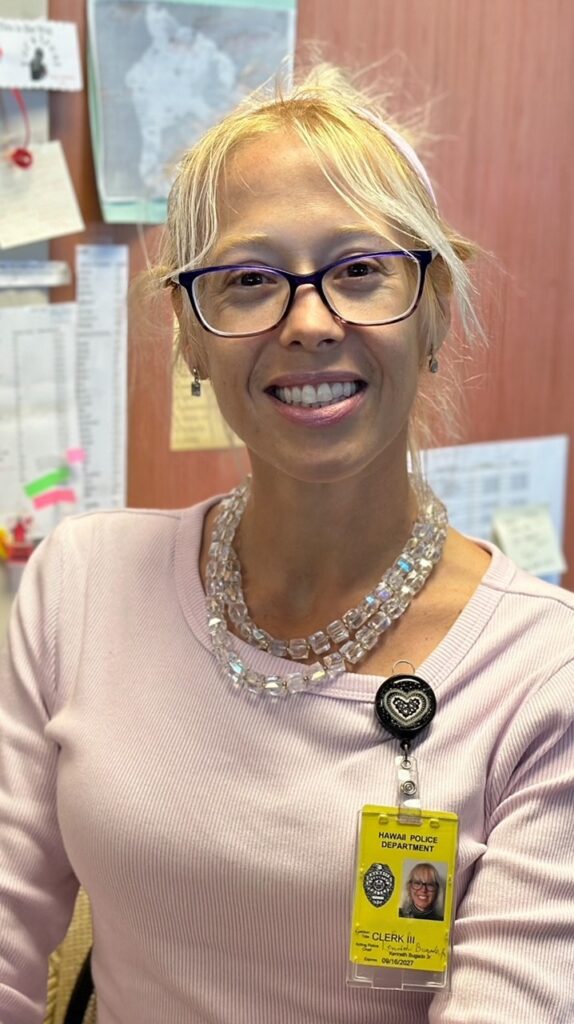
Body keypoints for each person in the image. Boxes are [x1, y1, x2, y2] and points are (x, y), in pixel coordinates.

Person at [1, 64, 573, 1024]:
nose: (309, 321)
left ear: (432, 309)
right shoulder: (78, 585)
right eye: (248, 280)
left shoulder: (543, 679)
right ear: (190, 332)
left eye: (359, 269)